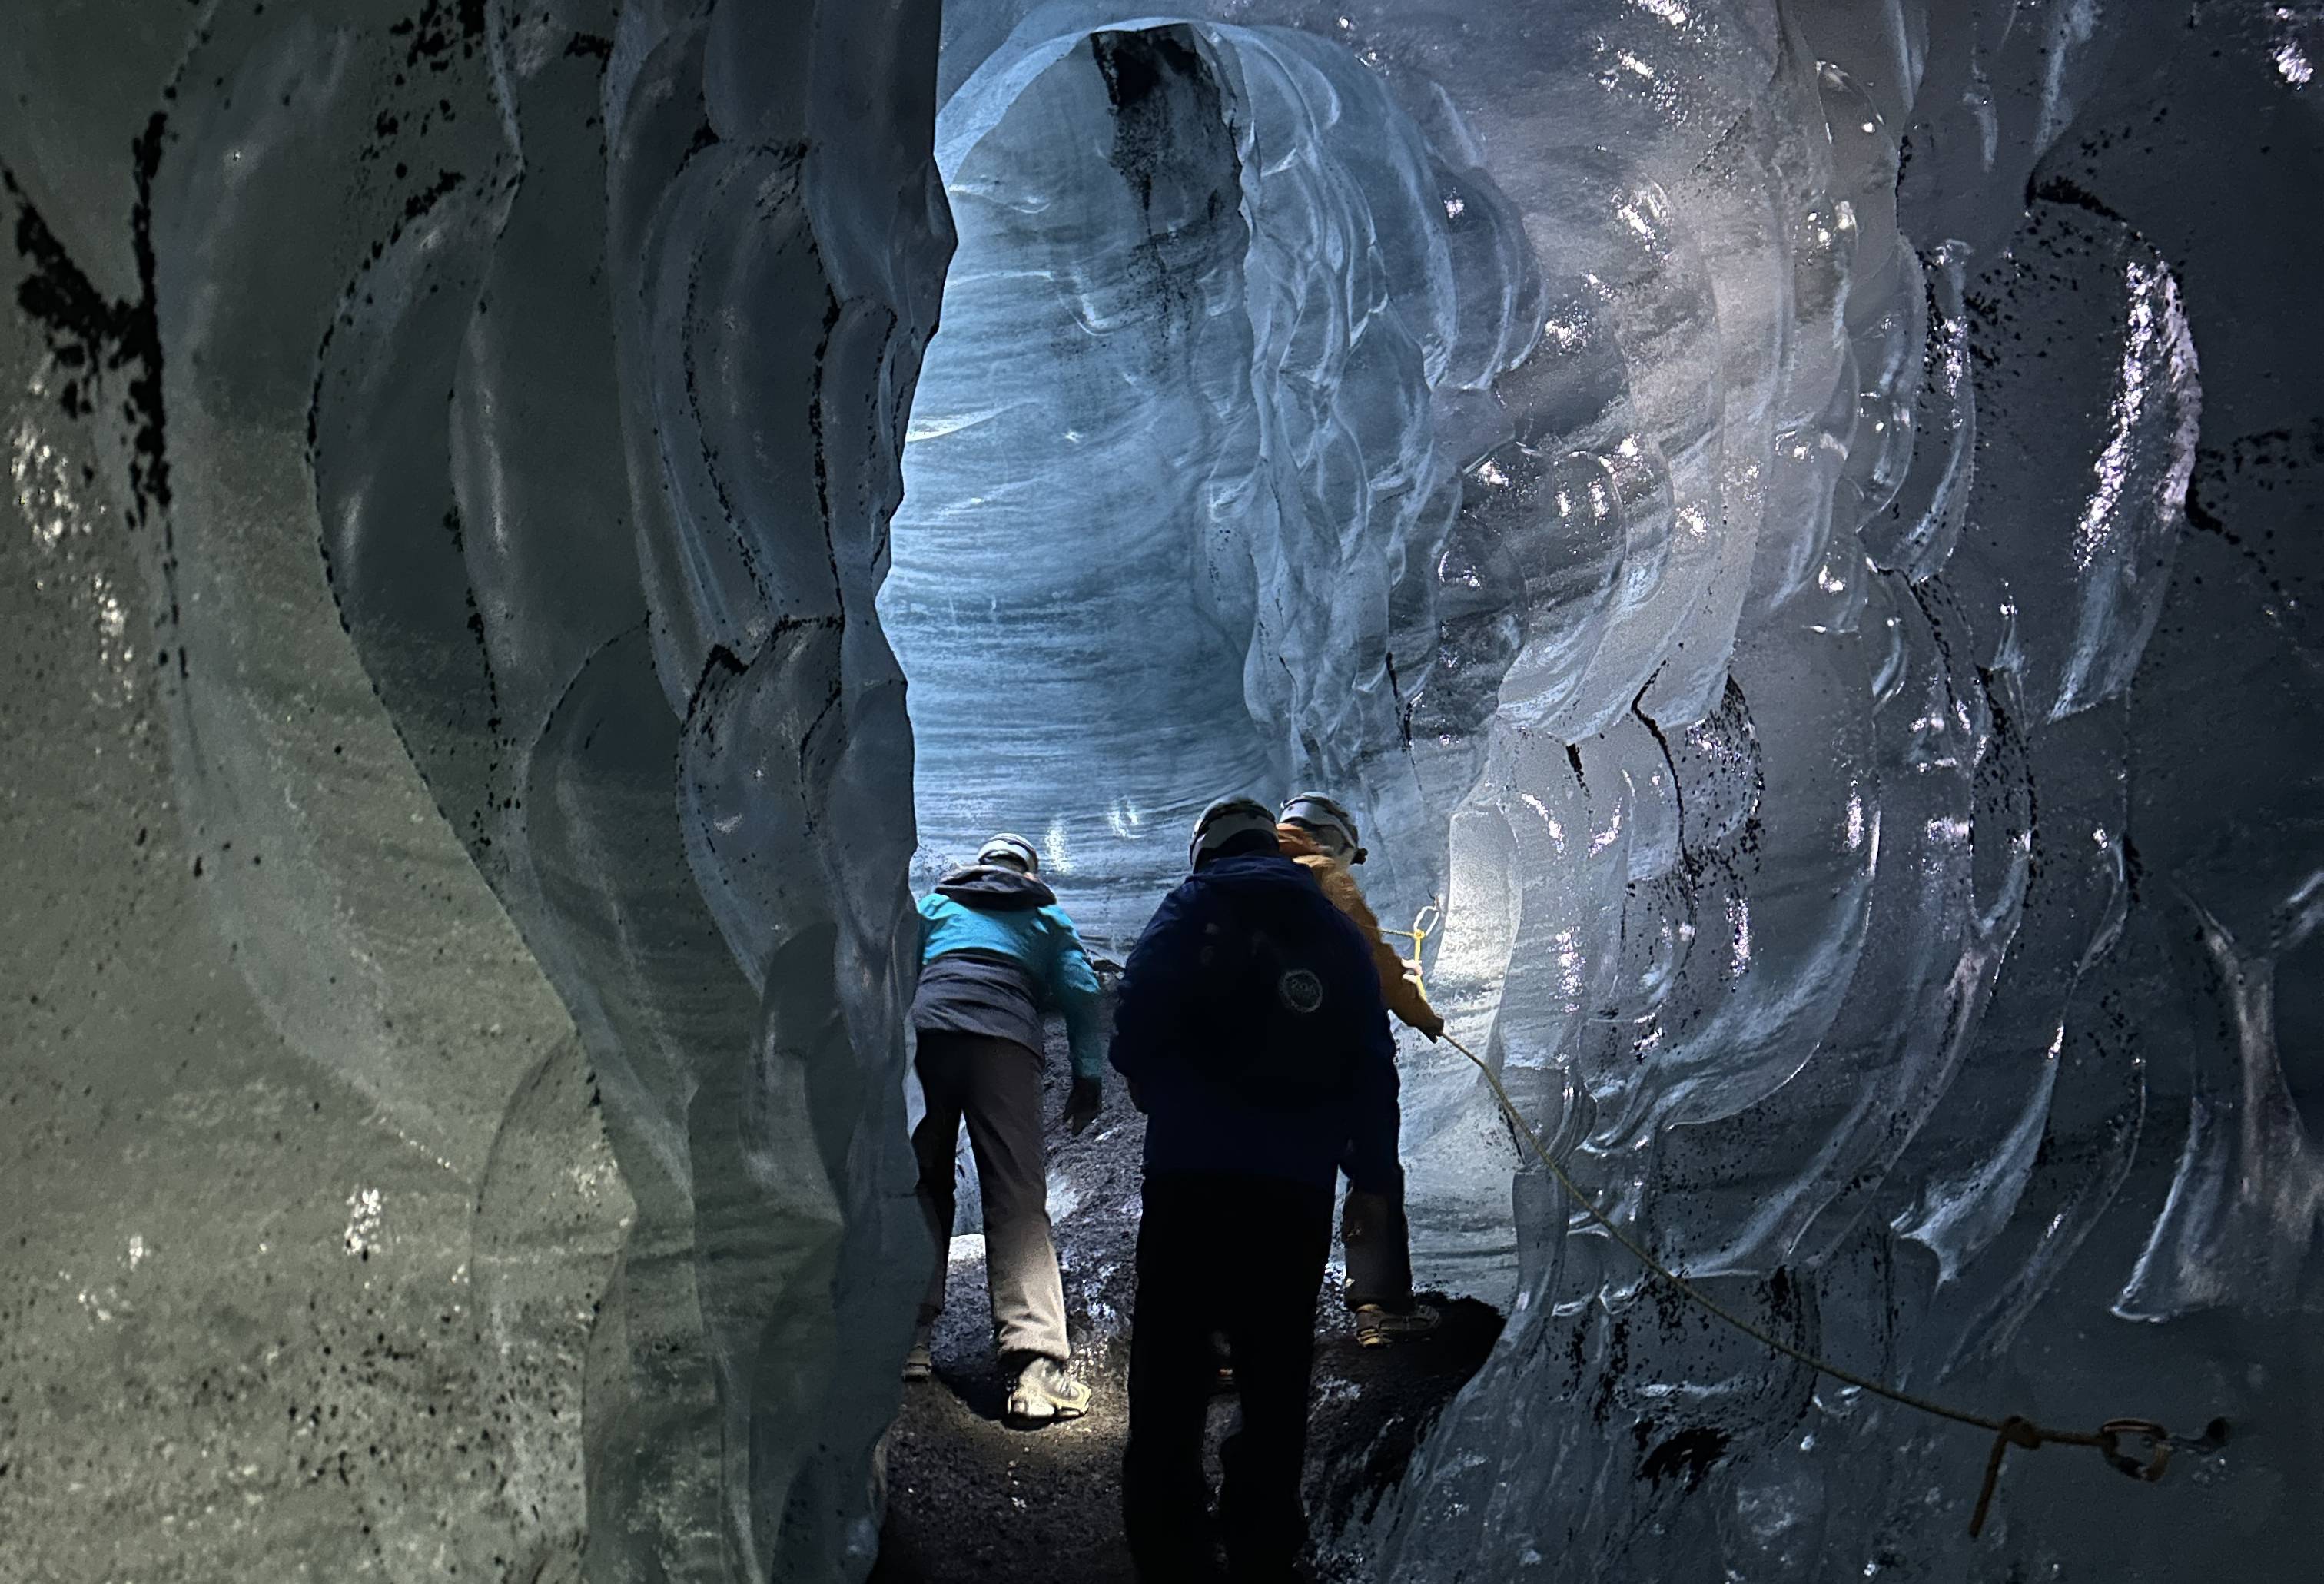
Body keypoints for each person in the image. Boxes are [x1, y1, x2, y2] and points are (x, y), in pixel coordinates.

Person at [1112, 797, 1401, 1583]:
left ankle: (1170, 1537)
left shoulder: (1191, 904)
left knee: (1172, 1361)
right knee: (1275, 1368)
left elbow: (1133, 1021)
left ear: (1204, 849)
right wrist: (1371, 1177)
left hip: (1191, 1173)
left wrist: (1159, 1088)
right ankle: (1262, 1533)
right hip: (1293, 1187)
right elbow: (1372, 1062)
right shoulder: (1333, 929)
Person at [906, 832, 1104, 1424]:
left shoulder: (937, 904)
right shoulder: (1044, 912)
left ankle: (904, 1342)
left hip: (929, 1034)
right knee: (1016, 1194)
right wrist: (1087, 1074)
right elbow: (1082, 988)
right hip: (1004, 1042)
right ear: (1028, 870)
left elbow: (892, 966)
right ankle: (1035, 1366)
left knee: (920, 1185)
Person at [1275, 792, 1444, 1349]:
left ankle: (1246, 1332)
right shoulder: (1325, 872)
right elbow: (1375, 959)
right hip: (1349, 1056)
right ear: (1335, 841)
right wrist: (1421, 1012)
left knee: (1279, 1184)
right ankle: (1381, 1304)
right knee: (1372, 1172)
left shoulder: (1239, 879)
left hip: (1271, 1060)